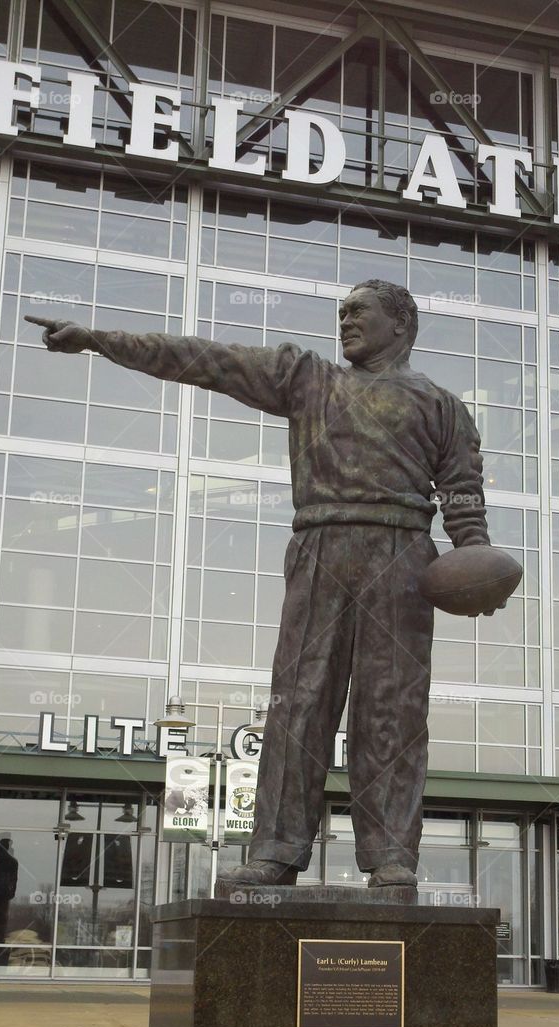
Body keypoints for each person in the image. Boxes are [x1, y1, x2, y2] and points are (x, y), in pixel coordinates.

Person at [26, 279, 491, 889]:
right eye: (341, 313)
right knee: (297, 704)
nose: (345, 320)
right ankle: (275, 847)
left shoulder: (441, 405)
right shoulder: (308, 379)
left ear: (401, 324)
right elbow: (203, 360)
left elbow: (461, 492)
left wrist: (475, 558)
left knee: (393, 710)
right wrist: (99, 341)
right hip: (320, 546)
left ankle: (391, 855)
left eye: (359, 312)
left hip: (402, 556)